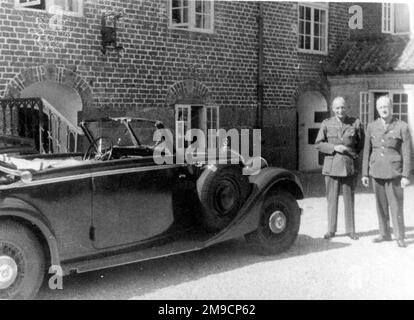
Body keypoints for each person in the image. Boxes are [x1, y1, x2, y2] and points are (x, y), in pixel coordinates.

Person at [361, 96, 412, 248]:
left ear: (392, 108)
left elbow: (407, 152)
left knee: (396, 205)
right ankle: (384, 233)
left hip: (394, 172)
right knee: (380, 205)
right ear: (377, 109)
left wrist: (405, 175)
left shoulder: (401, 126)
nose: (384, 109)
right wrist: (365, 173)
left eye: (386, 107)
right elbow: (366, 151)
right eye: (381, 107)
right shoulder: (371, 126)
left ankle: (400, 236)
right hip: (377, 170)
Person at [315, 97, 364, 240]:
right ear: (332, 109)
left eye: (342, 107)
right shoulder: (326, 123)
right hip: (331, 167)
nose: (340, 111)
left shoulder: (355, 123)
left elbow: (360, 144)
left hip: (348, 166)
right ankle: (331, 229)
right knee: (331, 199)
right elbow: (318, 144)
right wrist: (335, 147)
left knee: (349, 199)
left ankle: (351, 230)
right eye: (337, 108)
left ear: (347, 108)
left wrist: (350, 154)